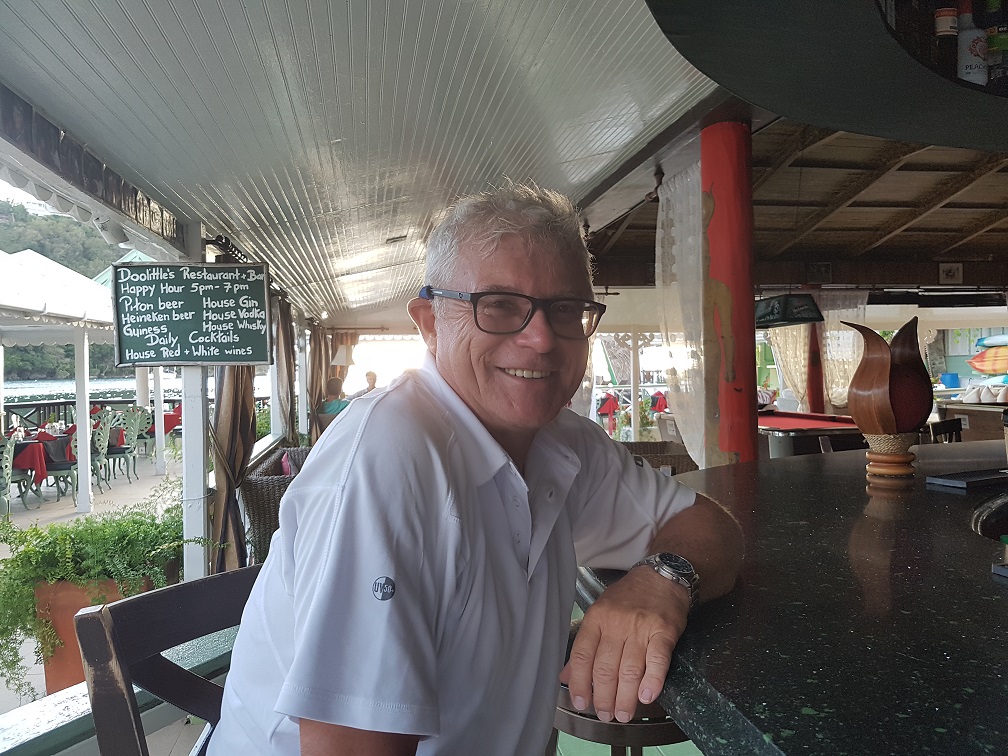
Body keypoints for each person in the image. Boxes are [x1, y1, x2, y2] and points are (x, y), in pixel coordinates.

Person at [209, 181, 744, 755]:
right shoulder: (390, 457)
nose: (540, 338)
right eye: (499, 305)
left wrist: (662, 580)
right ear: (430, 322)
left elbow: (712, 529)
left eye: (566, 309)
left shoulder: (564, 443)